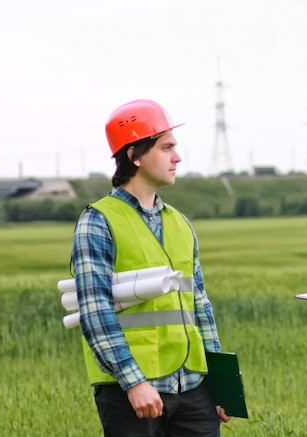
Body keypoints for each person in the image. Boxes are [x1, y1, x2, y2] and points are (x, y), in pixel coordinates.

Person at [70, 99, 230, 436]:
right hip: (134, 392)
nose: (177, 157)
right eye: (166, 147)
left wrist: (222, 383)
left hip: (194, 387)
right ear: (135, 155)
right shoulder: (98, 222)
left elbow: (200, 306)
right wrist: (133, 382)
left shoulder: (179, 223)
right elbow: (95, 312)